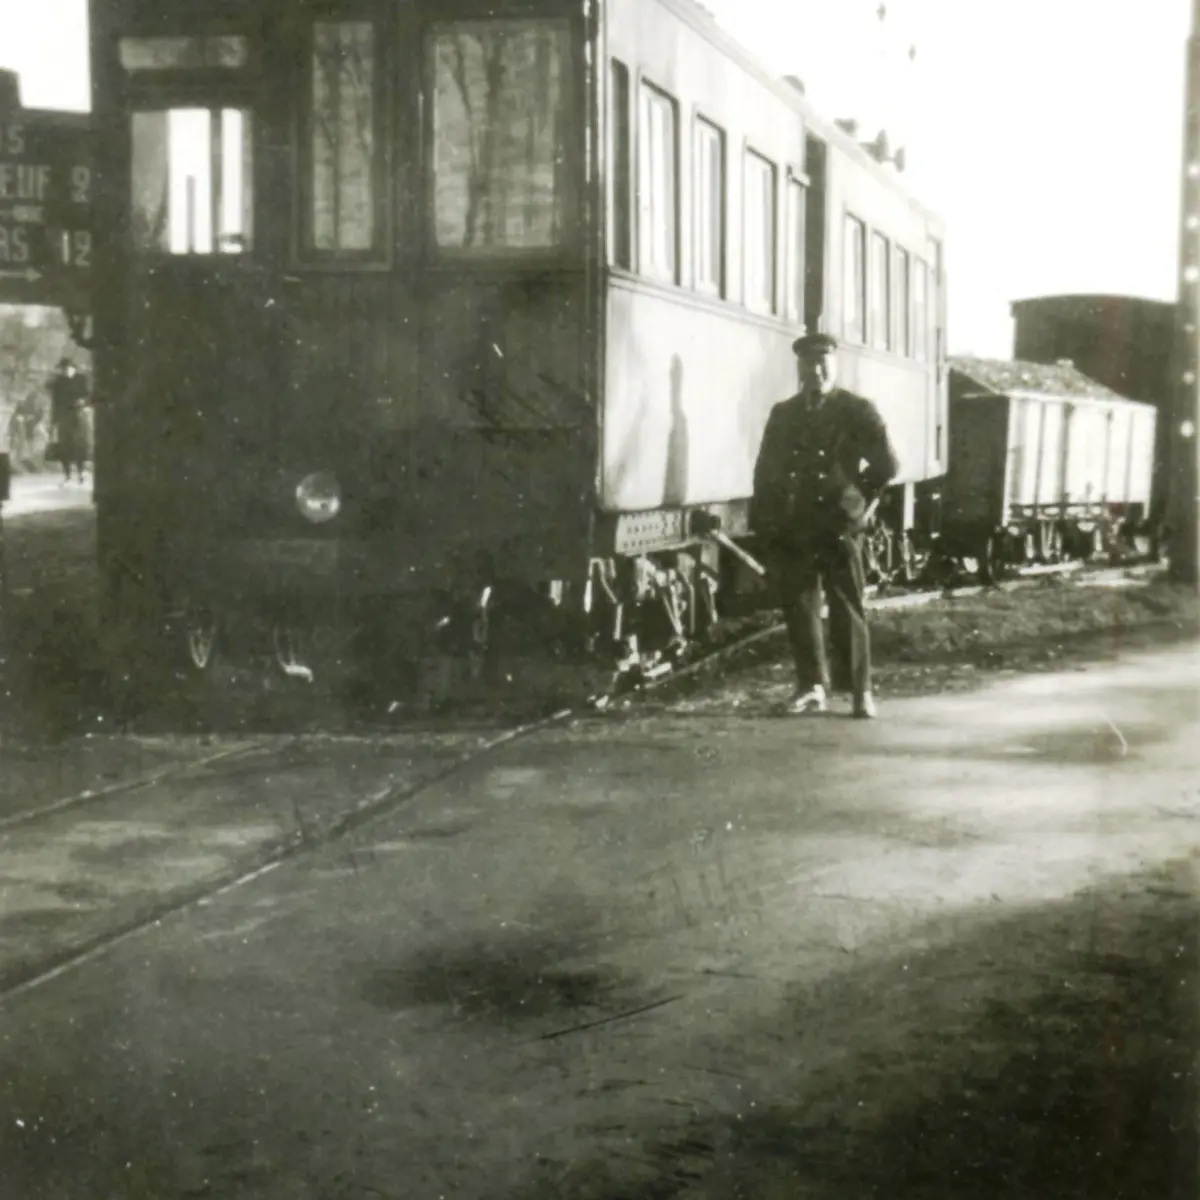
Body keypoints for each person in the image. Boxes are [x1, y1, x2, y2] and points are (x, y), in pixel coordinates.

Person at [750, 332, 899, 718]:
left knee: (847, 604)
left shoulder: (857, 410)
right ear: (798, 368)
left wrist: (857, 498)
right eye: (807, 364)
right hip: (796, 522)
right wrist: (764, 524)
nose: (815, 371)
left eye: (822, 363)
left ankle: (860, 691)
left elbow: (887, 466)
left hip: (838, 523)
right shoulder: (784, 414)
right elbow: (766, 472)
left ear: (835, 364)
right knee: (800, 604)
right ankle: (811, 686)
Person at [48, 357, 91, 485]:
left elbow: (87, 394)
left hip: (78, 414)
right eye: (63, 369)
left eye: (67, 368)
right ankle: (67, 474)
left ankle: (81, 471)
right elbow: (55, 402)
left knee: (80, 443)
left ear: (73, 367)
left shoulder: (81, 379)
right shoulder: (58, 382)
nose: (65, 371)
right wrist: (53, 421)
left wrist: (83, 401)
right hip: (64, 416)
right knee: (64, 445)